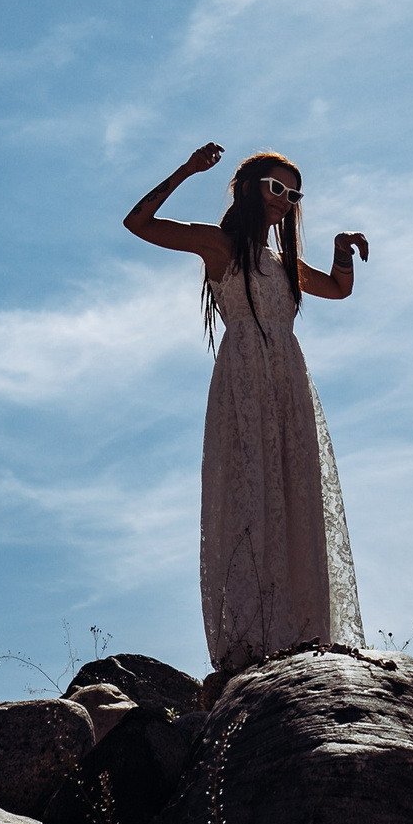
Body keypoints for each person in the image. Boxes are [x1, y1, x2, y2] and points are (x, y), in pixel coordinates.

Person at [126, 142, 369, 672]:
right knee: (249, 494)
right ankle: (251, 636)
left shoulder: (285, 264)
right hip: (243, 380)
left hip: (288, 383)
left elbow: (338, 289)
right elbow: (139, 223)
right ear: (250, 189)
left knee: (294, 491)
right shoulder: (220, 245)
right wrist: (187, 170)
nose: (285, 200)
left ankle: (305, 631)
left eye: (293, 192)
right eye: (276, 187)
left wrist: (342, 248)